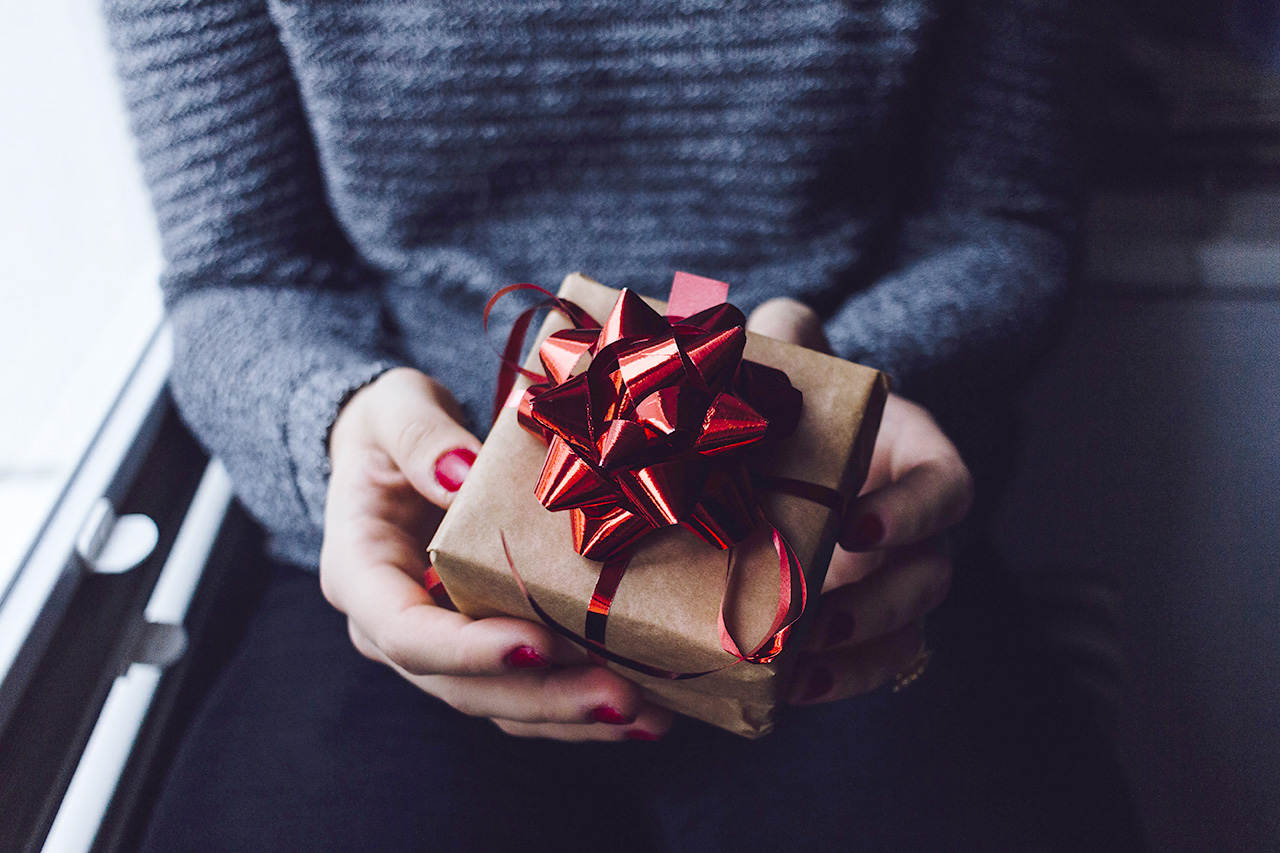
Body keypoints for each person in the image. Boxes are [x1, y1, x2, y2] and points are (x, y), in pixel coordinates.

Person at [104, 0, 1144, 848]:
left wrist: (838, 393)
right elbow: (239, 270)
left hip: (837, 534)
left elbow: (1000, 222)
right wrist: (331, 424)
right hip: (422, 537)